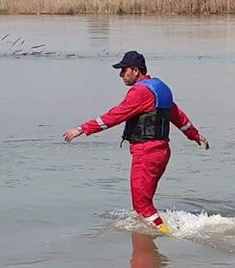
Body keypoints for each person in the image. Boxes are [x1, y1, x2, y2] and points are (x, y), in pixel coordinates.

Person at [63, 51, 208, 233]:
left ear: (136, 70)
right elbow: (177, 115)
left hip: (146, 153)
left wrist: (81, 129)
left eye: (124, 70)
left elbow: (115, 115)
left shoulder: (140, 92)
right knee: (144, 203)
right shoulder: (160, 87)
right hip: (161, 152)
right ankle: (154, 235)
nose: (121, 75)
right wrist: (194, 135)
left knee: (141, 205)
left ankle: (168, 234)